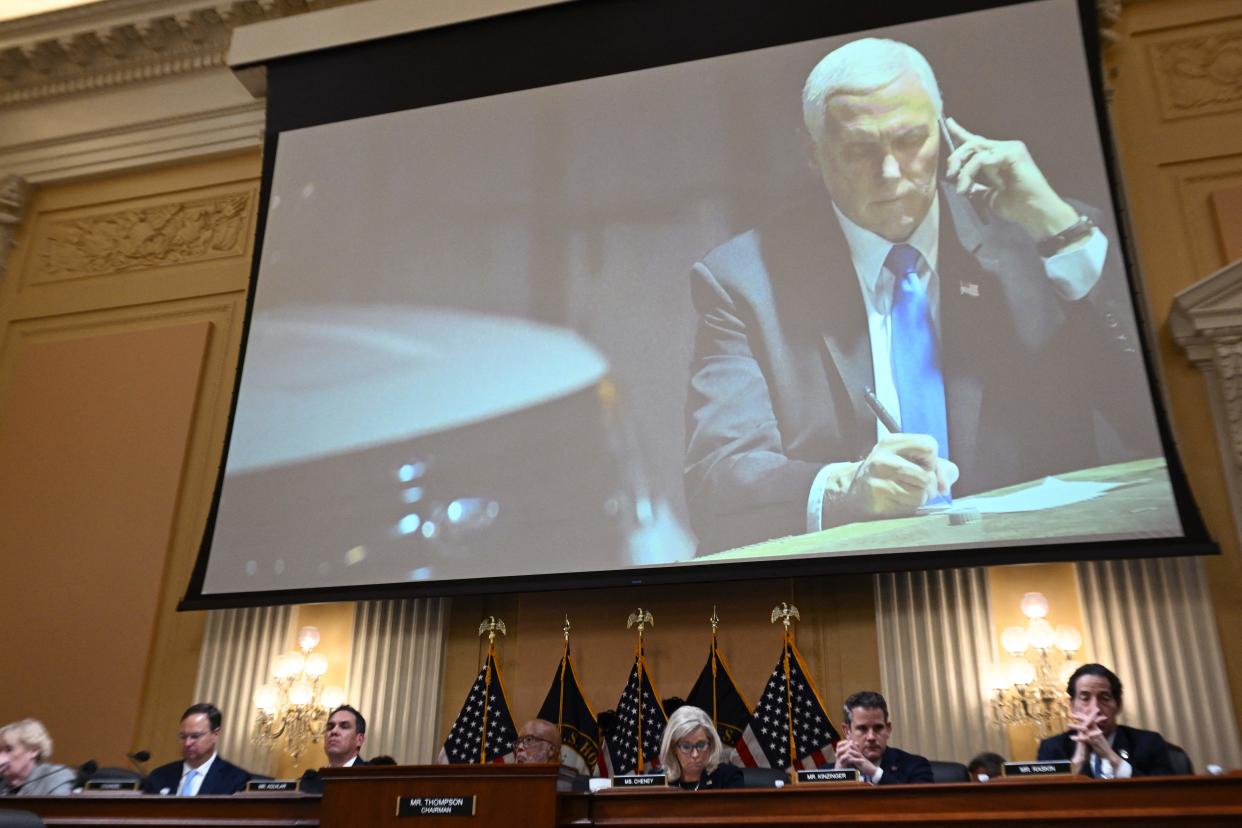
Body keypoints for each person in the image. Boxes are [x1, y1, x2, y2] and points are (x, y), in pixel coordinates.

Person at [684, 37, 1147, 553]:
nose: (890, 172)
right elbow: (717, 480)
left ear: (945, 134)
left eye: (910, 140)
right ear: (813, 154)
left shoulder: (1040, 242)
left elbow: (1148, 414)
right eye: (860, 149)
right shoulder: (744, 280)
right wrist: (846, 488)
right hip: (859, 579)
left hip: (1041, 564)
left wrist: (1060, 230)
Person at [1036, 663, 1174, 777]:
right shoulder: (1052, 748)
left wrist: (1113, 759)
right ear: (1072, 706)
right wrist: (1077, 763)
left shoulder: (1149, 743)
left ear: (1118, 705)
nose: (1095, 709)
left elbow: (1165, 794)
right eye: (1085, 698)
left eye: (1104, 698)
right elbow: (1044, 802)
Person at [141, 703, 252, 795]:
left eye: (195, 736)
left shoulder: (236, 780)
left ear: (216, 734)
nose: (187, 743)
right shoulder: (158, 776)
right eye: (183, 737)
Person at [831, 691, 932, 784]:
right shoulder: (828, 771)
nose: (871, 737)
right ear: (847, 731)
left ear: (888, 729)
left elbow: (919, 802)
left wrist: (875, 773)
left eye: (878, 728)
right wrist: (837, 776)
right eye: (862, 728)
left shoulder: (916, 766)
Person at [658, 705, 743, 790]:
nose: (695, 754)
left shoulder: (728, 777)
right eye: (686, 746)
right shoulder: (658, 780)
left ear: (711, 744)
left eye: (701, 745)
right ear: (673, 748)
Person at [0, 719, 76, 796]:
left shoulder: (56, 776)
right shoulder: (2, 782)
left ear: (33, 750)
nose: (1, 757)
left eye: (8, 750)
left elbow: (57, 807)